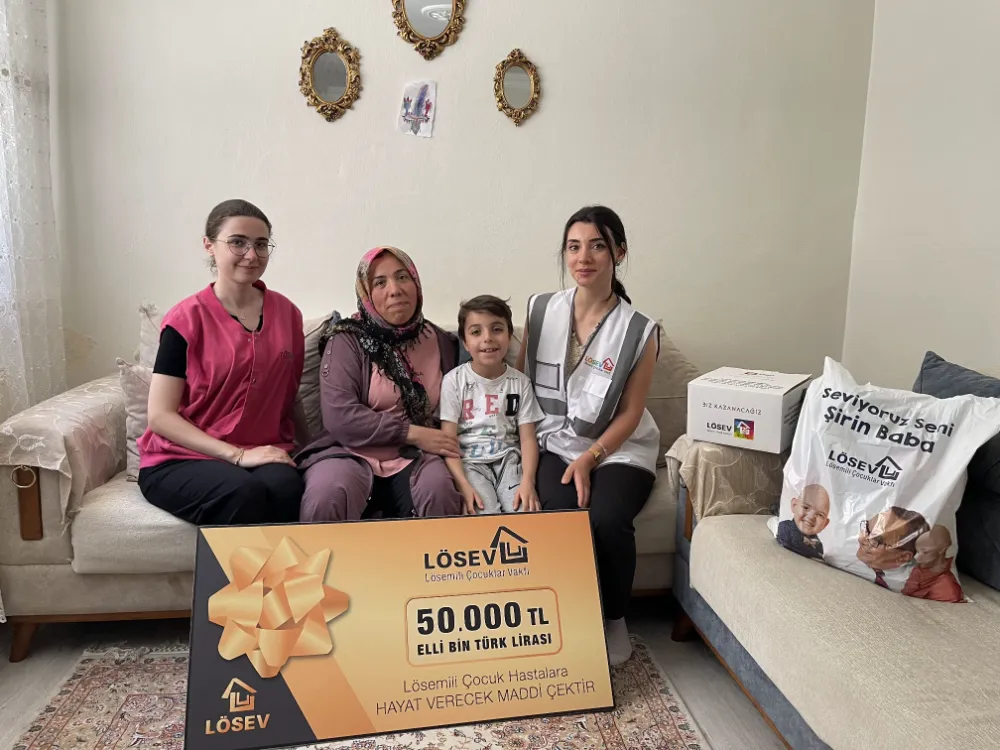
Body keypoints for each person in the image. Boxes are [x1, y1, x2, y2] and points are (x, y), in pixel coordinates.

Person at [516, 205, 660, 666]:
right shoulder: (541, 310)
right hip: (553, 442)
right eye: (574, 247)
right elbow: (522, 385)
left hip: (618, 449)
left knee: (607, 519)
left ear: (619, 252)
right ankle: (570, 621)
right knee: (559, 519)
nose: (584, 258)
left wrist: (591, 457)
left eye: (598, 246)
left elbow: (631, 412)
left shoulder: (639, 330)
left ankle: (614, 618)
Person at [138, 199, 306, 525]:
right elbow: (160, 416)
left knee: (286, 487)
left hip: (262, 449)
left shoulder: (288, 314)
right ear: (209, 245)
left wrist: (311, 446)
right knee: (241, 493)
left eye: (261, 244)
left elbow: (290, 394)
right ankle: (234, 564)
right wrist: (237, 455)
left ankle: (286, 564)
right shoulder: (185, 320)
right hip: (180, 457)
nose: (251, 255)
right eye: (238, 242)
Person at [297, 246, 464, 522]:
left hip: (417, 456)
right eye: (380, 282)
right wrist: (412, 433)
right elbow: (340, 416)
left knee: (439, 490)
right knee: (327, 495)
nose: (395, 290)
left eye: (402, 277)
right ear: (366, 293)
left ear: (416, 283)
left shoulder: (443, 342)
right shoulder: (346, 340)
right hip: (349, 451)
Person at [440, 295, 545, 515]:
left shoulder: (521, 383)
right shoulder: (453, 381)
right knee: (485, 516)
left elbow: (527, 438)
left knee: (526, 513)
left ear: (509, 335)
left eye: (496, 329)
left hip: (509, 462)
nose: (487, 338)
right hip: (470, 465)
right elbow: (448, 441)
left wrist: (528, 481)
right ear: (465, 342)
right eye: (476, 332)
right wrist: (462, 484)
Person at [856, 507, 930, 589]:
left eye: (875, 539)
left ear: (903, 557)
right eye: (866, 528)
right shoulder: (847, 555)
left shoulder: (913, 585)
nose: (861, 539)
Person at [902, 525, 964, 602]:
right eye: (917, 551)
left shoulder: (947, 581)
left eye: (925, 552)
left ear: (942, 549)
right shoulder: (918, 571)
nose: (916, 557)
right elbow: (907, 591)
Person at [777, 484, 831, 560]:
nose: (811, 517)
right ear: (794, 505)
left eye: (820, 515)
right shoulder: (785, 526)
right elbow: (793, 543)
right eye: (806, 507)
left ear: (825, 524)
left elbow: (818, 555)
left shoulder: (818, 544)